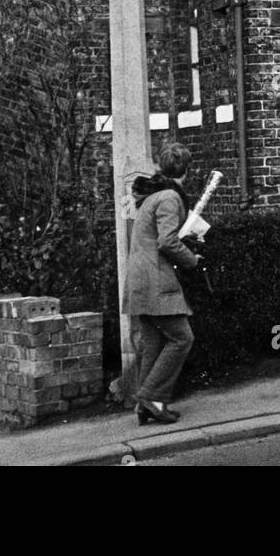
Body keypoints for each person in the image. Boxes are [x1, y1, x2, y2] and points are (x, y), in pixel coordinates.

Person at [121, 141, 202, 425]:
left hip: (140, 279)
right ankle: (151, 398)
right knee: (182, 338)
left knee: (154, 342)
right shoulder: (169, 197)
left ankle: (145, 406)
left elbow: (162, 236)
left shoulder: (153, 196)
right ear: (186, 171)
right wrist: (192, 258)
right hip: (157, 280)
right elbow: (167, 241)